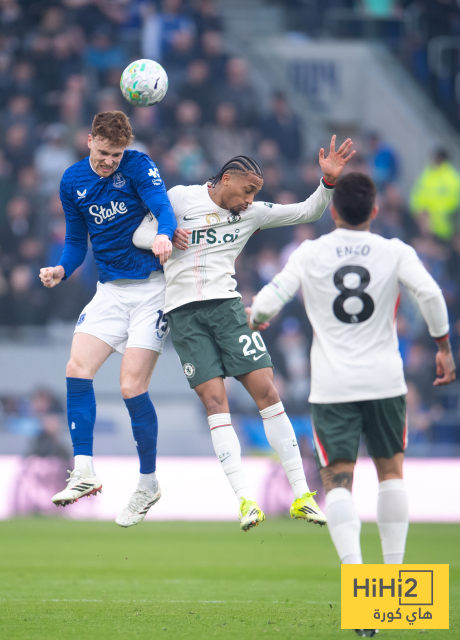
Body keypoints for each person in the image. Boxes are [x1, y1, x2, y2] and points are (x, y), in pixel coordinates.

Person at [133, 136, 355, 531]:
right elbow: (139, 235)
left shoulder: (251, 214)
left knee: (267, 392)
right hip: (184, 316)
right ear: (227, 179)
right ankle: (245, 501)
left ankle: (302, 496)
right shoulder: (181, 198)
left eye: (255, 193)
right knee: (215, 403)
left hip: (228, 310)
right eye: (247, 190)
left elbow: (306, 211)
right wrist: (163, 236)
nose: (250, 199)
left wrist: (328, 182)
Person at [249, 173, 455, 566]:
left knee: (338, 481)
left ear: (334, 212)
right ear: (374, 211)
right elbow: (430, 293)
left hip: (333, 386)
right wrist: (443, 347)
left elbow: (267, 301)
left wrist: (257, 317)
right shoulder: (394, 251)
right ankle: (392, 574)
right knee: (391, 473)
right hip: (384, 381)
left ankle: (355, 572)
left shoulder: (310, 252)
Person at [39, 110, 176, 527]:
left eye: (115, 154)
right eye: (103, 152)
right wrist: (62, 269)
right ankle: (84, 471)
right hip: (111, 292)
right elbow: (76, 241)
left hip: (151, 291)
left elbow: (163, 207)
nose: (108, 161)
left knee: (131, 386)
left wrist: (164, 234)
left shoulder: (138, 166)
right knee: (76, 368)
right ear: (89, 141)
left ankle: (148, 483)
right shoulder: (72, 181)